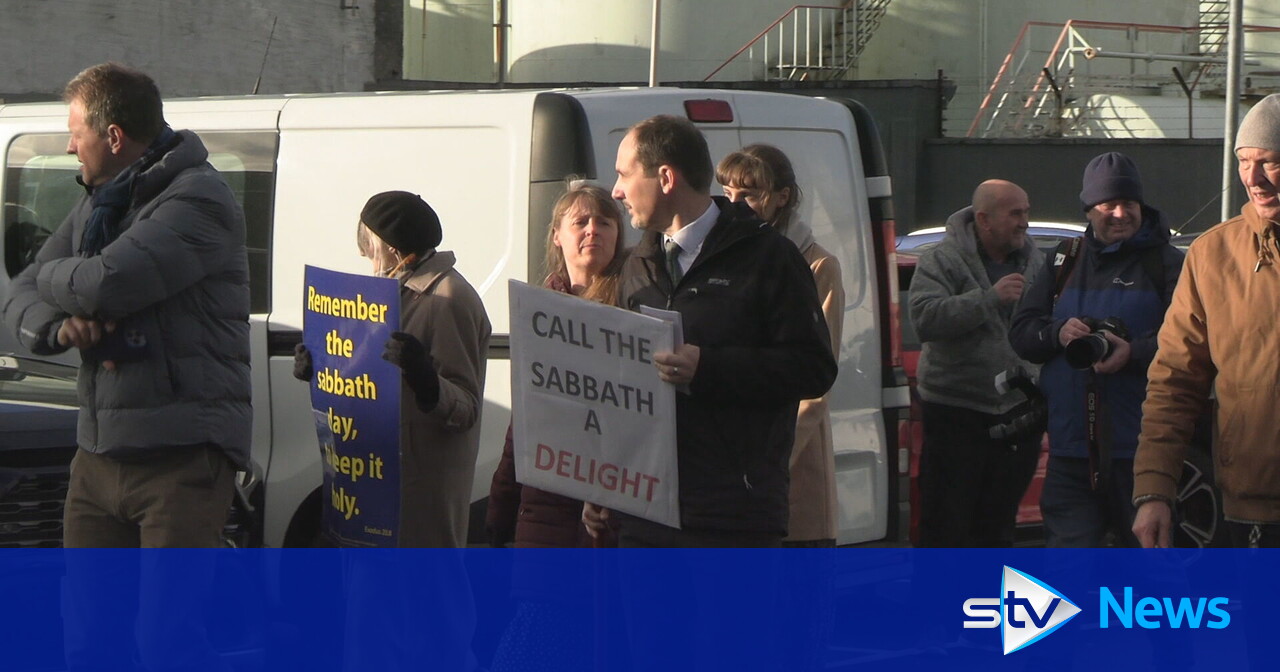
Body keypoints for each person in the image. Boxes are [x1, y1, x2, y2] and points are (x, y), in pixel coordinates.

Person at [1, 62, 251, 546]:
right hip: (99, 453)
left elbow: (102, 286)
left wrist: (53, 276)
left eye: (76, 135)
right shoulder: (99, 201)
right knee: (91, 619)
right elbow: (18, 291)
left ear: (113, 137)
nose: (70, 147)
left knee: (167, 623)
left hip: (179, 457)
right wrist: (57, 328)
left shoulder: (200, 198)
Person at [591, 114, 837, 547]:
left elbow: (813, 368)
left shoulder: (768, 258)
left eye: (623, 174)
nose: (616, 191)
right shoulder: (637, 265)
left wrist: (709, 367)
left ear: (666, 177)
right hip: (646, 512)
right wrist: (606, 478)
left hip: (733, 516)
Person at [294, 190, 492, 547]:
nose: (368, 258)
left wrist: (428, 382)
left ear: (394, 250)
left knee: (427, 596)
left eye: (371, 248)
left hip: (419, 489)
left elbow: (466, 409)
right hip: (377, 477)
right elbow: (364, 377)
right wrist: (320, 367)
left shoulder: (447, 298)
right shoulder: (392, 291)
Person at [1010, 153, 1182, 547]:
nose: (1120, 213)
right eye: (1108, 205)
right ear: (1089, 209)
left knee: (1149, 578)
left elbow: (1191, 344)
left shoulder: (1167, 264)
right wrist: (1057, 334)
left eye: (1129, 204)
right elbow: (1021, 334)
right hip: (1072, 452)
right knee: (1065, 578)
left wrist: (1133, 352)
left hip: (1143, 454)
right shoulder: (1062, 262)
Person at [1133, 94, 1280, 549]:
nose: (1252, 179)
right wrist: (1155, 489)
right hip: (1254, 508)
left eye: (1270, 163)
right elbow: (1175, 378)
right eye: (1243, 162)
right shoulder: (1212, 255)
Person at [716, 144, 844, 547]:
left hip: (788, 469)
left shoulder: (816, 264)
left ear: (782, 197)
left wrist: (764, 465)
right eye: (728, 192)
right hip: (730, 474)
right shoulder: (722, 256)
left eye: (750, 194)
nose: (736, 204)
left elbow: (816, 382)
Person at [486, 182, 625, 548]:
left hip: (615, 513)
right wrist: (500, 512)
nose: (593, 229)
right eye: (580, 221)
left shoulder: (637, 306)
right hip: (544, 512)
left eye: (605, 222)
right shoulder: (538, 312)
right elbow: (524, 423)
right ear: (557, 236)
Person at [908, 179, 1045, 547]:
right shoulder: (942, 259)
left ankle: (984, 603)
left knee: (998, 530)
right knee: (946, 528)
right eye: (1015, 213)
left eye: (1026, 212)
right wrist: (987, 299)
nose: (1025, 222)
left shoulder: (1036, 261)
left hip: (1018, 418)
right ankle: (939, 604)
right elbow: (924, 319)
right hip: (956, 415)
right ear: (984, 219)